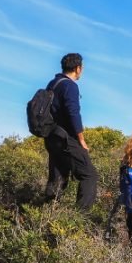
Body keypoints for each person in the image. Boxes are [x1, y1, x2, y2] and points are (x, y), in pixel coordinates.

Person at [43, 53, 99, 209]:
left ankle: (47, 215)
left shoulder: (53, 84)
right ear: (78, 68)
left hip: (51, 138)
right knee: (89, 175)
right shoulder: (70, 85)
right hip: (65, 139)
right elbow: (73, 112)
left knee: (57, 179)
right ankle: (79, 219)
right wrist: (81, 139)